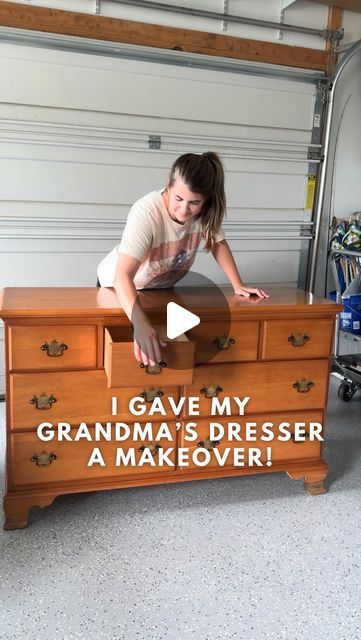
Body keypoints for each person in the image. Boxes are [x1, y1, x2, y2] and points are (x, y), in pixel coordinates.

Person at [97, 151, 269, 367]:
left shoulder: (204, 214)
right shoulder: (146, 212)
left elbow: (218, 243)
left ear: (206, 200)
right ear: (168, 185)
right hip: (117, 287)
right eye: (178, 198)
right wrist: (139, 324)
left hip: (160, 289)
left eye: (194, 202)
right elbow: (122, 276)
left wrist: (238, 284)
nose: (185, 209)